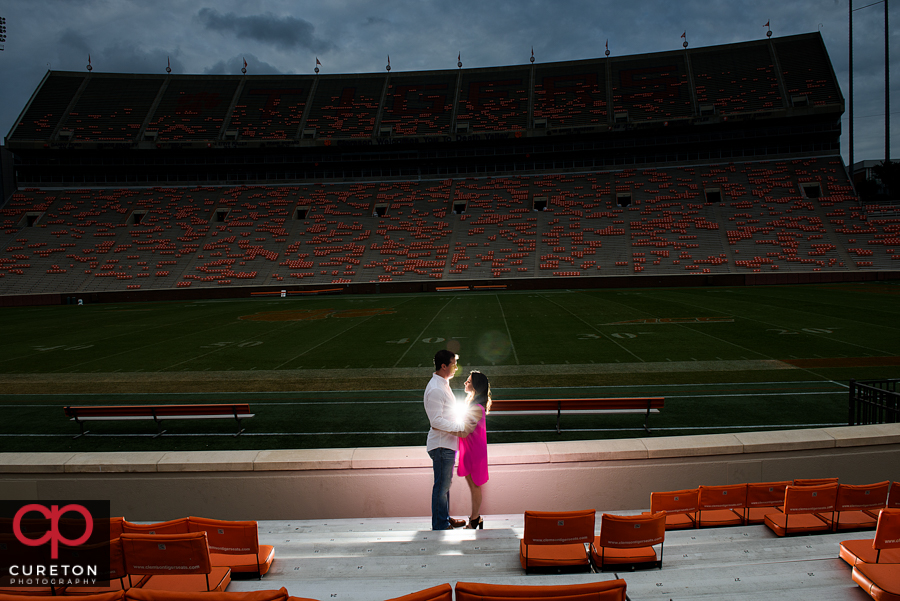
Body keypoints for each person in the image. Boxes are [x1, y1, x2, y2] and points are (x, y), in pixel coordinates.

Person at [423, 349, 467, 530]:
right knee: (441, 487)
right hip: (441, 445)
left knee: (445, 485)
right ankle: (440, 524)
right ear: (443, 366)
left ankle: (445, 518)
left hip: (446, 444)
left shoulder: (442, 384)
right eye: (453, 364)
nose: (456, 368)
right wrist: (461, 429)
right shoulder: (435, 388)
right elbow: (436, 421)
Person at [454, 370, 490, 529]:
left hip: (474, 451)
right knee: (473, 485)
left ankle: (475, 519)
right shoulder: (474, 405)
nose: (465, 383)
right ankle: (475, 518)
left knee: (475, 486)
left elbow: (465, 430)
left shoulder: (476, 407)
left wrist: (442, 428)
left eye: (468, 381)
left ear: (475, 386)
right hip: (471, 448)